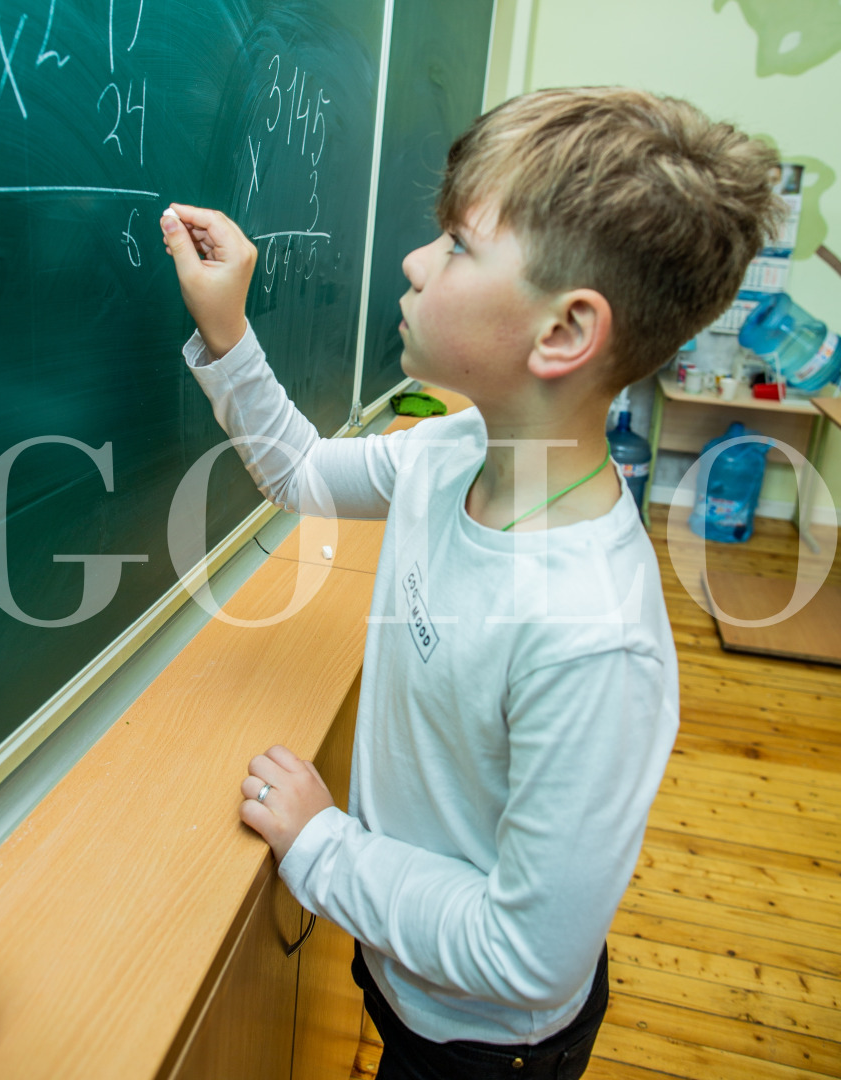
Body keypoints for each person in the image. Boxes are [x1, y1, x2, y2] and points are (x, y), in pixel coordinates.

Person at [160, 88, 782, 1079]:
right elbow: (301, 474)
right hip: (402, 959)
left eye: (455, 243)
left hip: (484, 1044)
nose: (413, 260)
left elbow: (526, 956)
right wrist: (230, 332)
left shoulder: (593, 636)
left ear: (564, 333)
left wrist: (322, 846)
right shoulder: (453, 450)